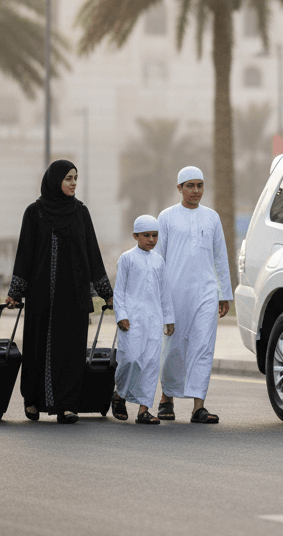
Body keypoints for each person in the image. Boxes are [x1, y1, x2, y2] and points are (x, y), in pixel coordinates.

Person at [5, 159, 113, 424]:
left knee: (71, 351)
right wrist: (15, 292)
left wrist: (106, 293)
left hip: (73, 297)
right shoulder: (35, 212)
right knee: (37, 348)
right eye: (68, 178)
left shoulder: (80, 213)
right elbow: (25, 255)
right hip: (42, 297)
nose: (73, 183)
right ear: (55, 181)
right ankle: (32, 400)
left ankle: (66, 405)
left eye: (75, 178)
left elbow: (93, 254)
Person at [155, 165, 232, 424]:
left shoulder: (212, 217)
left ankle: (199, 405)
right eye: (190, 186)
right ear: (179, 188)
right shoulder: (166, 217)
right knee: (174, 347)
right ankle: (167, 399)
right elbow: (158, 259)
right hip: (174, 293)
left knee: (203, 347)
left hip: (206, 292)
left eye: (200, 185)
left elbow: (220, 257)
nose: (196, 191)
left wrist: (224, 293)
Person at [111, 215, 175, 425]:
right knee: (130, 359)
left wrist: (169, 319)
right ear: (135, 236)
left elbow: (164, 292)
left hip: (154, 320)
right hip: (132, 320)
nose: (151, 239)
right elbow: (119, 292)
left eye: (154, 235)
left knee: (150, 363)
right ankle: (119, 395)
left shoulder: (159, 261)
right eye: (146, 235)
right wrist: (122, 316)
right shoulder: (127, 258)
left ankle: (144, 410)